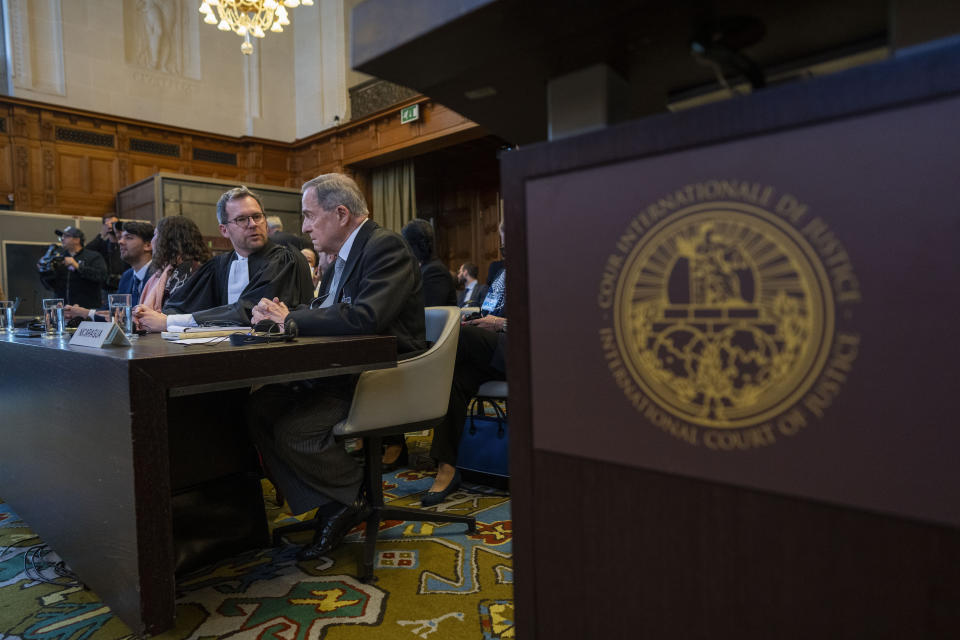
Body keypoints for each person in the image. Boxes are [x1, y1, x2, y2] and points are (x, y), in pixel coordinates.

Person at [247, 172, 426, 561]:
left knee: (295, 429)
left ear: (341, 213)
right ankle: (336, 501)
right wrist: (284, 314)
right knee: (258, 407)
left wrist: (289, 320)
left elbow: (366, 317)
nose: (305, 227)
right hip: (346, 371)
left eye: (310, 216)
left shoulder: (385, 247)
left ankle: (349, 494)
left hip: (385, 376)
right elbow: (325, 312)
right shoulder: (341, 257)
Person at [134, 187, 314, 331]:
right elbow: (183, 305)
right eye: (242, 219)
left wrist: (167, 322)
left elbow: (248, 311)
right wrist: (147, 316)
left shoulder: (284, 260)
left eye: (257, 216)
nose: (253, 224)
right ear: (224, 230)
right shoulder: (219, 265)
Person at [424, 221, 507, 505]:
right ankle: (446, 468)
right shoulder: (499, 269)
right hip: (487, 347)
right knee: (454, 378)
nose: (504, 236)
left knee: (452, 342)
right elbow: (488, 307)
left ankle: (417, 389)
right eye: (502, 231)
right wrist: (477, 318)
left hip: (523, 347)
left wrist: (500, 323)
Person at [64, 221, 155, 322]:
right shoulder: (127, 276)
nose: (120, 241)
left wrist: (87, 313)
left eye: (129, 238)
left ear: (147, 245)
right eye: (121, 237)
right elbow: (112, 310)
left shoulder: (160, 275)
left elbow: (141, 317)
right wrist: (81, 312)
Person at [139, 216, 211, 312]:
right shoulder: (165, 272)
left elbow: (175, 313)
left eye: (156, 234)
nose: (152, 241)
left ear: (169, 240)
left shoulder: (187, 270)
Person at [37, 227, 108, 309]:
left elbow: (102, 276)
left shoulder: (93, 256)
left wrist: (77, 266)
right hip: (63, 308)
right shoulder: (58, 258)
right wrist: (44, 271)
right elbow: (51, 286)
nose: (62, 239)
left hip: (86, 309)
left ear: (77, 240)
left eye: (66, 236)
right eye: (61, 237)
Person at [401, 218, 457, 307]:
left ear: (415, 246)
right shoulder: (427, 267)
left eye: (407, 245)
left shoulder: (434, 271)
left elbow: (429, 310)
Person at [84, 214, 127, 297]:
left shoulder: (124, 244)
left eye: (114, 223)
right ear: (104, 226)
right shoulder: (102, 245)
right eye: (108, 224)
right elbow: (86, 252)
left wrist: (121, 234)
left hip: (124, 284)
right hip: (106, 288)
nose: (111, 226)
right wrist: (102, 234)